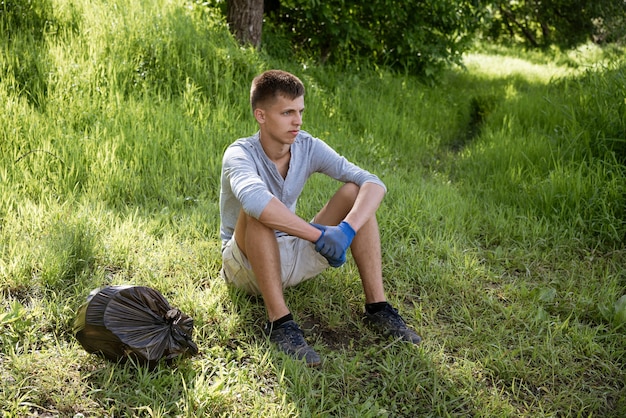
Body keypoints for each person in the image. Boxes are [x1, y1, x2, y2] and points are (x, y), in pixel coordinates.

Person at [219, 70, 421, 366]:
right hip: (245, 265)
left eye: (300, 111)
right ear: (261, 115)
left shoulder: (307, 146)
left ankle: (377, 308)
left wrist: (346, 231)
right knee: (259, 212)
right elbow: (256, 203)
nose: (297, 121)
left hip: (287, 253)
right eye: (287, 112)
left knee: (356, 192)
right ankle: (280, 324)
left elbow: (373, 182)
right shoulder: (239, 154)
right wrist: (320, 236)